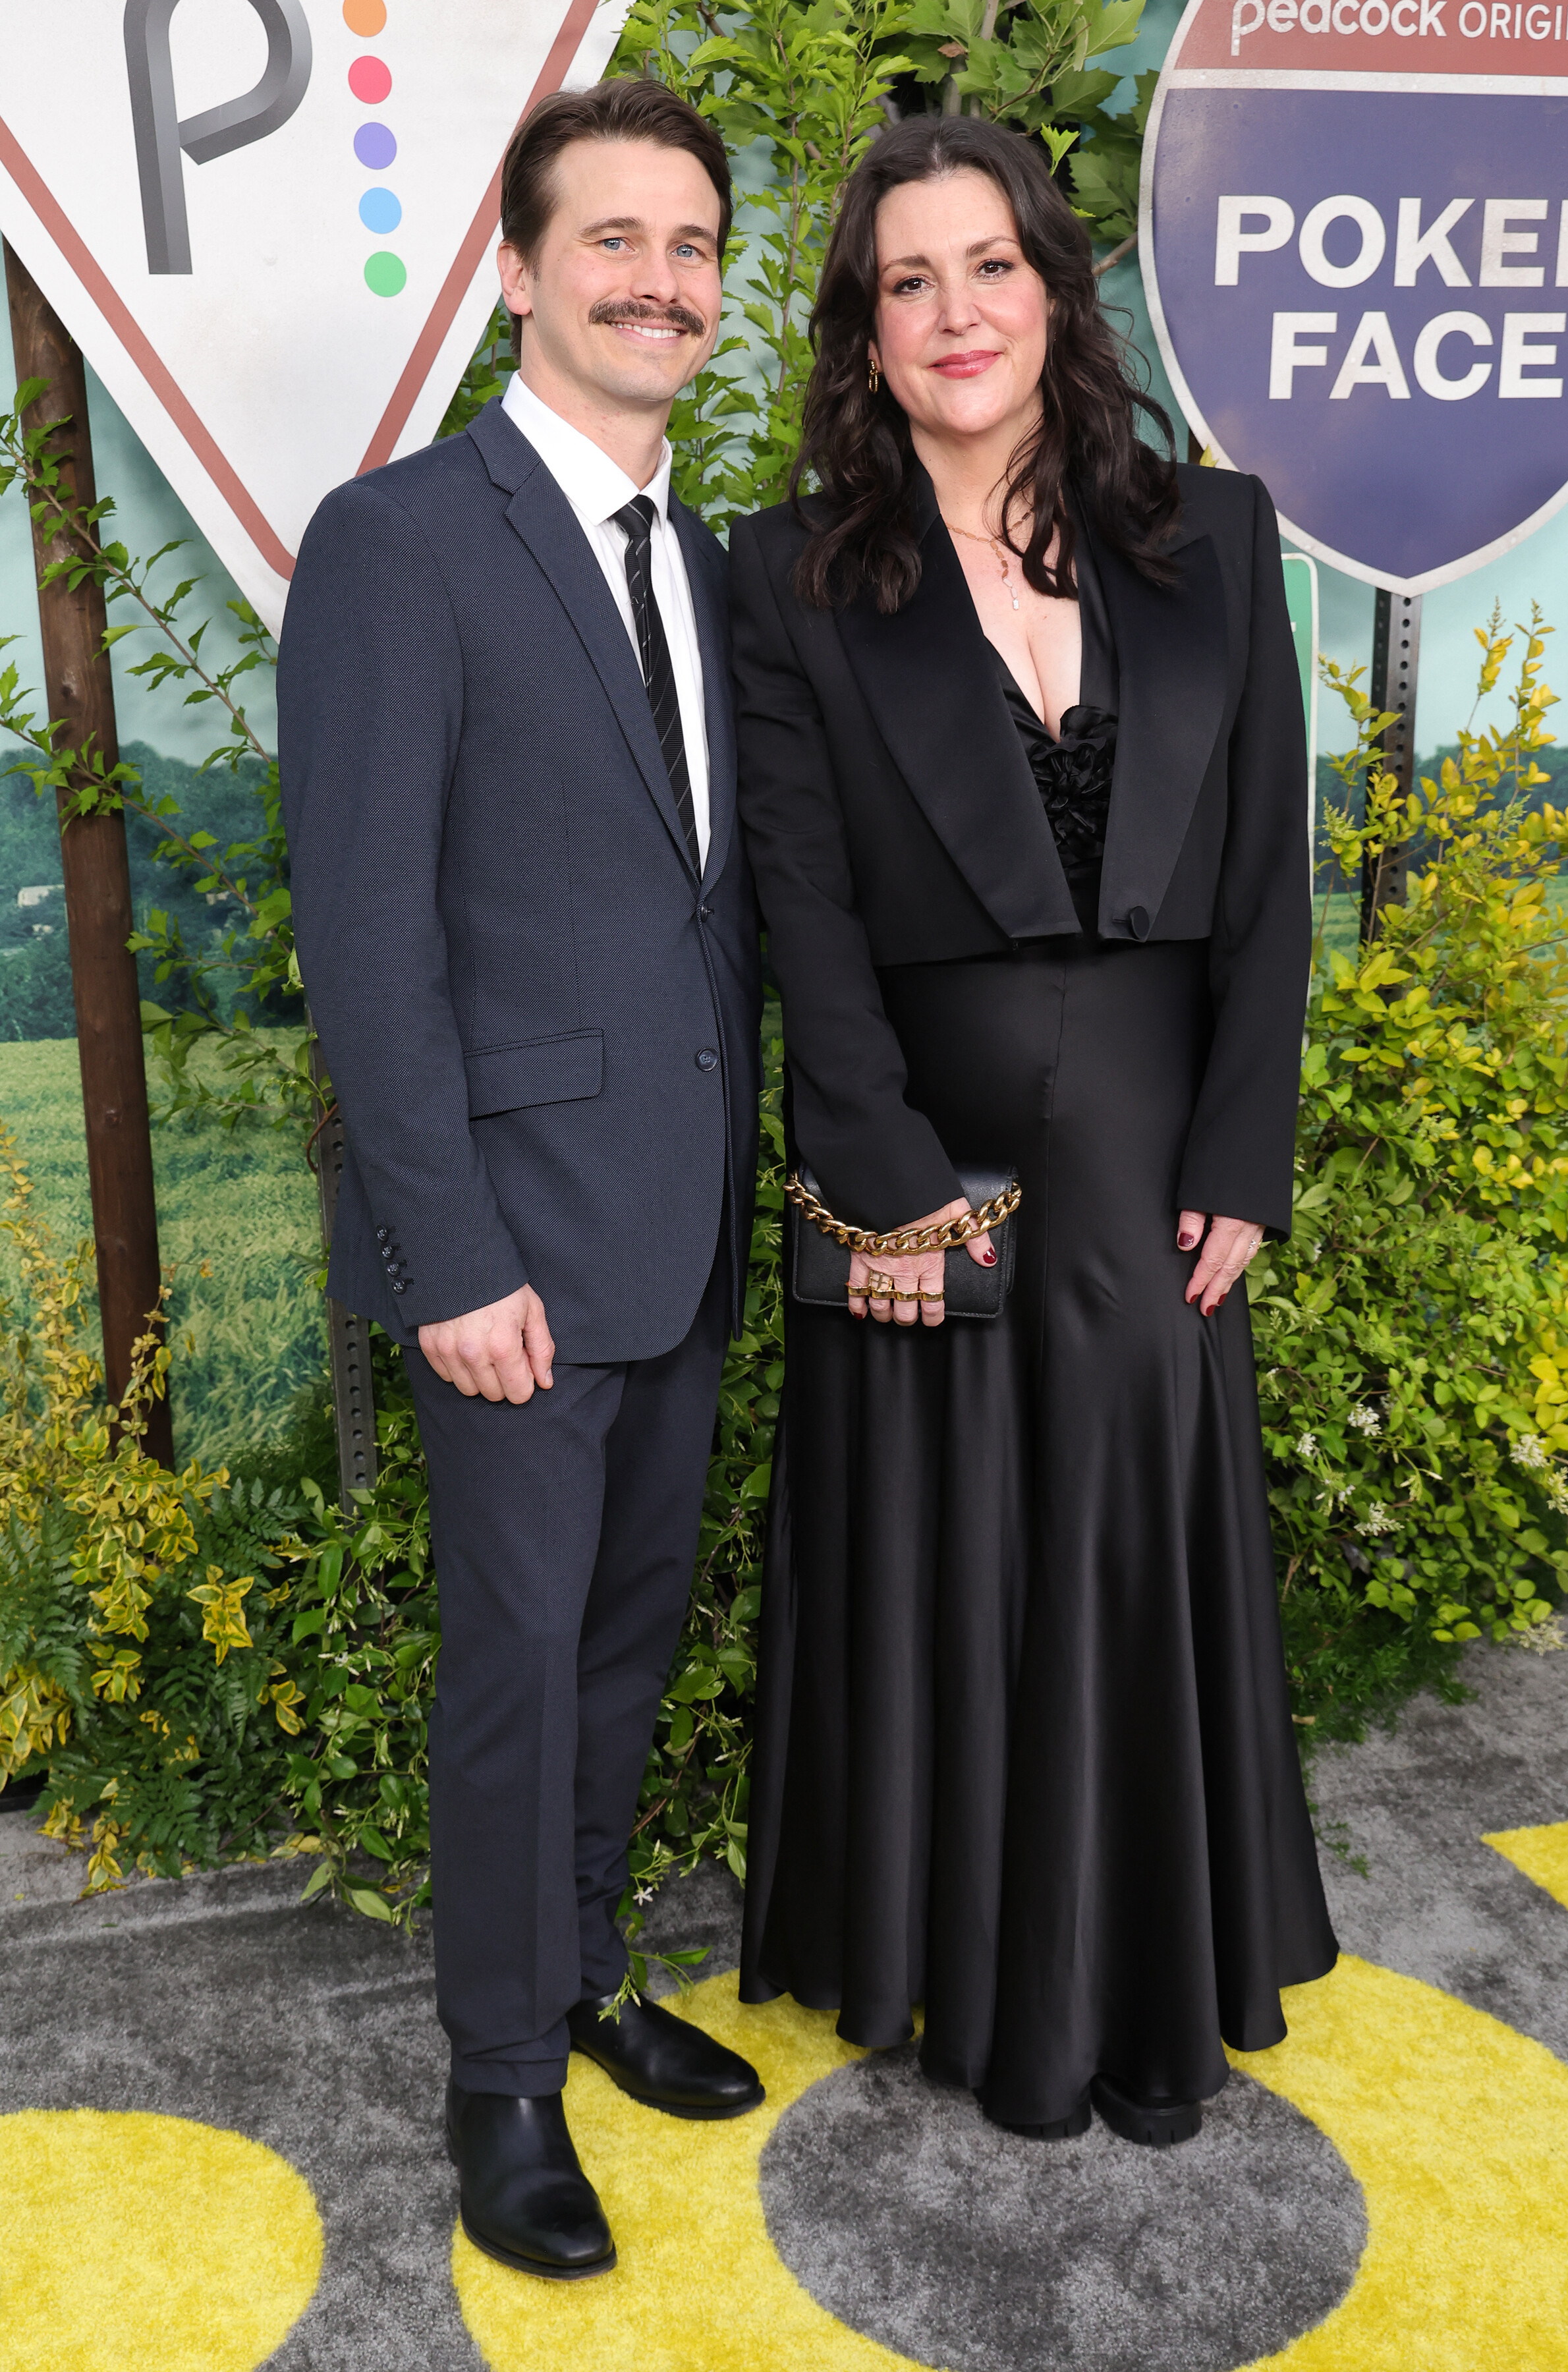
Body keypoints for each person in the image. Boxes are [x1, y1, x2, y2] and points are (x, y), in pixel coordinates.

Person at [731, 113, 1337, 2149]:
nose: (953, 312)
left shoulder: (1213, 533)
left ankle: (1141, 1997)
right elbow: (800, 906)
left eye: (987, 265)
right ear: (864, 333)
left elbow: (1263, 877)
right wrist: (887, 1177)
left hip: (1153, 1160)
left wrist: (1240, 1155)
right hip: (928, 1167)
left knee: (1122, 1556)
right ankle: (979, 1990)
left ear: (1056, 290)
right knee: (955, 1577)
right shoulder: (791, 575)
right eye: (906, 282)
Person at [279, 79, 764, 2280]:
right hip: (512, 1258)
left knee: (625, 1648)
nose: (659, 281)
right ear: (516, 272)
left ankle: (580, 1978)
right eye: (614, 240)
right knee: (514, 1669)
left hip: (679, 1227)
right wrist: (447, 1255)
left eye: (692, 245)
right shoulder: (401, 542)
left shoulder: (712, 564)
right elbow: (366, 938)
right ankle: (497, 2081)